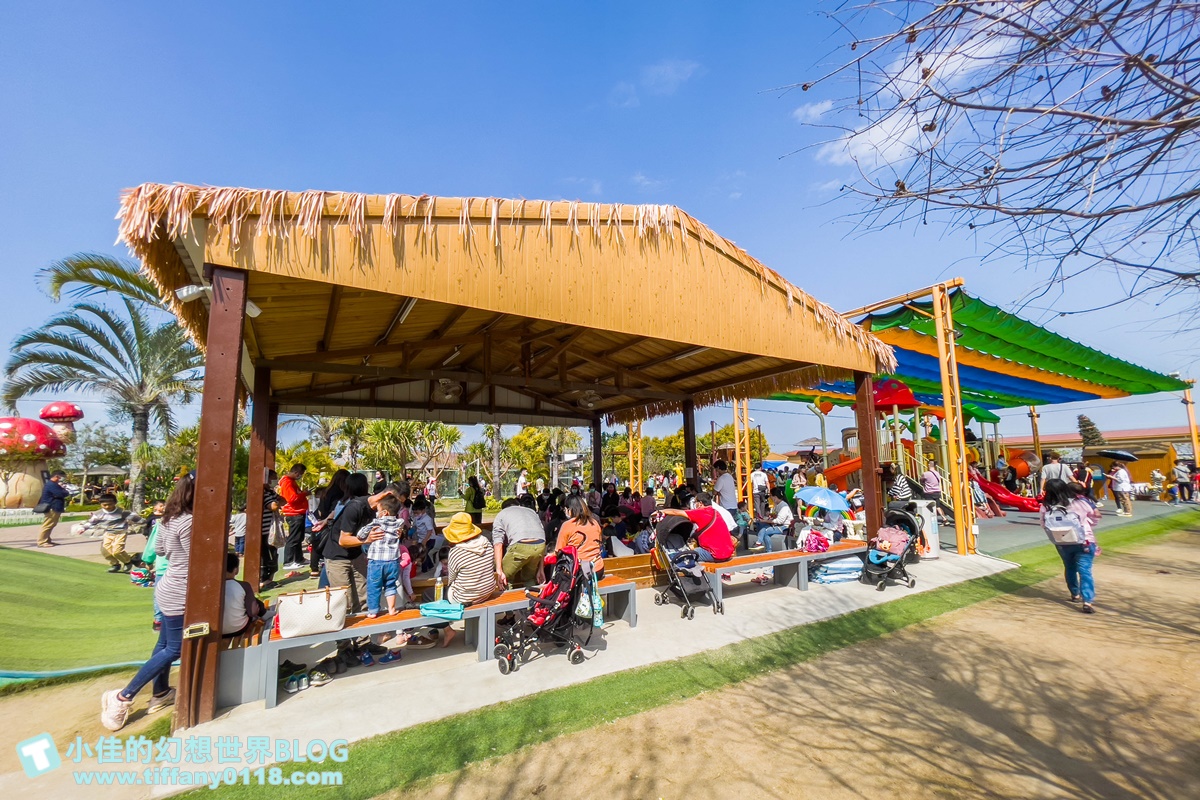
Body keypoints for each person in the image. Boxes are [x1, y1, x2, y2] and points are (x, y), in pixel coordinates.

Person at [100, 473, 195, 730]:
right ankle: (123, 697)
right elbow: (196, 556)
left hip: (167, 584)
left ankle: (161, 692)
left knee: (164, 644)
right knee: (174, 649)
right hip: (180, 589)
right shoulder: (189, 521)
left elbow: (161, 550)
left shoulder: (168, 518)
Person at [324, 472, 388, 665]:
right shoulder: (353, 506)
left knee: (363, 597)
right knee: (343, 601)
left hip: (356, 555)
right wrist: (367, 540)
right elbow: (344, 540)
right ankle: (344, 648)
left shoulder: (372, 508)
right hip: (337, 557)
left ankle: (363, 642)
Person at [1040, 478, 1101, 614]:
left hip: (1062, 542)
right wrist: (1088, 524)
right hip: (1084, 540)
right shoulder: (1079, 503)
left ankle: (1075, 593)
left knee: (1070, 567)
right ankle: (1087, 601)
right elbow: (1095, 516)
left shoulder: (1046, 506)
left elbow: (1043, 524)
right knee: (1085, 571)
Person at [439, 512, 499, 648]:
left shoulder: (456, 552)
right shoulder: (486, 543)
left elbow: (451, 578)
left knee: (430, 596)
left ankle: (447, 629)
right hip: (487, 590)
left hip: (465, 597)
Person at [357, 494, 408, 626]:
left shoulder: (376, 523)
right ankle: (392, 609)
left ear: (384, 512)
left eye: (378, 510)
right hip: (393, 561)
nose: (376, 513)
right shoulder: (399, 523)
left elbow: (360, 535)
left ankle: (373, 611)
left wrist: (367, 531)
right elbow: (401, 530)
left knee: (374, 586)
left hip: (376, 561)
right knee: (391, 585)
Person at [659, 492, 734, 563]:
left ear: (700, 503)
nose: (694, 504)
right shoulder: (715, 512)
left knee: (686, 555)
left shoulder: (701, 512)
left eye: (695, 502)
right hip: (727, 552)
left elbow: (676, 512)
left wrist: (662, 511)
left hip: (715, 554)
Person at [491, 495, 547, 589]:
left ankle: (509, 596)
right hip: (540, 545)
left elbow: (498, 544)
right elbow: (541, 536)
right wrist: (541, 569)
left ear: (504, 508)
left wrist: (499, 570)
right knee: (529, 578)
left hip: (520, 545)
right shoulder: (531, 511)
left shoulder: (501, 514)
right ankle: (533, 597)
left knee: (505, 578)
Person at [80, 493, 144, 573]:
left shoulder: (122, 512)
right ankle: (115, 564)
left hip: (120, 533)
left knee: (117, 551)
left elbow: (137, 518)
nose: (107, 507)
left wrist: (146, 522)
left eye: (110, 504)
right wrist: (83, 528)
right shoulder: (98, 514)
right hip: (108, 533)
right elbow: (91, 522)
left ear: (115, 503)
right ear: (101, 504)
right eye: (104, 505)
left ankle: (127, 561)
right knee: (105, 551)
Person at [310, 469, 351, 579]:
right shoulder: (340, 493)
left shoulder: (327, 491)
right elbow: (335, 510)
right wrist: (327, 520)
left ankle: (314, 568)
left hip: (323, 520)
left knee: (318, 545)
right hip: (331, 523)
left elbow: (321, 509)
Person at [556, 494, 605, 578]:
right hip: (598, 569)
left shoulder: (567, 525)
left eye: (565, 509)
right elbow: (599, 544)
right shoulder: (594, 522)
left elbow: (559, 550)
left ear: (569, 510)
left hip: (578, 571)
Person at [222, 552, 266, 638]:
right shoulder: (244, 585)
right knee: (253, 601)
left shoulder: (213, 587)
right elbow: (252, 612)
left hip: (217, 630)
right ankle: (265, 613)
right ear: (236, 570)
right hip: (239, 628)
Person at [277, 463, 310, 571]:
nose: (300, 476)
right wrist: (304, 494)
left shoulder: (291, 481)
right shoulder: (287, 482)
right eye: (300, 474)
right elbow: (291, 499)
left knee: (298, 538)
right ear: (296, 473)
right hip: (294, 513)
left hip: (298, 512)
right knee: (293, 538)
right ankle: (288, 561)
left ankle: (299, 559)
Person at [751, 487, 795, 552]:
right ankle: (760, 544)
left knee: (765, 531)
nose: (770, 498)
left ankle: (762, 546)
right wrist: (770, 515)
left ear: (775, 497)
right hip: (777, 525)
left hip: (784, 527)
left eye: (771, 496)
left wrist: (765, 520)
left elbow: (779, 521)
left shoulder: (784, 506)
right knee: (761, 526)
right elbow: (776, 515)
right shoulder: (777, 504)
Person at [35, 469, 71, 547]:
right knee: (47, 525)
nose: (62, 479)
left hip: (54, 507)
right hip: (52, 507)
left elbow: (62, 493)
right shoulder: (51, 485)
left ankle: (47, 540)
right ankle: (41, 542)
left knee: (51, 524)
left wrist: (63, 489)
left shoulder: (54, 484)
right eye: (62, 477)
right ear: (57, 476)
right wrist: (64, 490)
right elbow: (62, 493)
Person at [260, 471, 282, 588]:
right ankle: (264, 580)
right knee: (266, 555)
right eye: (274, 478)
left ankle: (269, 579)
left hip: (271, 529)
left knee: (273, 554)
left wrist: (276, 501)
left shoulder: (270, 491)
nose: (275, 481)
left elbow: (283, 500)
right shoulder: (263, 492)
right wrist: (276, 502)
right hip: (265, 530)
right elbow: (273, 506)